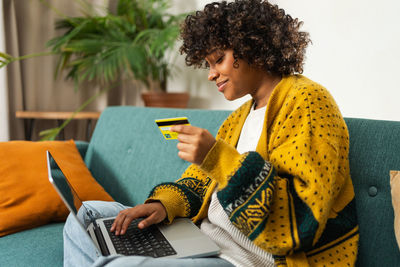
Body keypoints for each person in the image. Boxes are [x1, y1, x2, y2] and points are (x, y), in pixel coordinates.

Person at [63, 0, 359, 266]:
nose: (210, 74)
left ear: (251, 47)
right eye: (207, 64)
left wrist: (215, 156)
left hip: (244, 259)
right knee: (87, 215)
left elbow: (301, 220)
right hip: (202, 240)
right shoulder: (239, 118)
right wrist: (163, 205)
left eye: (219, 59)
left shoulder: (307, 101)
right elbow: (199, 182)